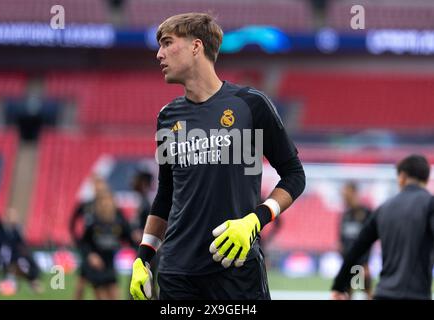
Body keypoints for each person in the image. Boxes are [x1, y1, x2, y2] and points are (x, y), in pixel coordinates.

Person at [130, 13, 305, 300]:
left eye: (167, 43)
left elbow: (294, 174)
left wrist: (255, 220)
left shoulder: (251, 105)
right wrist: (143, 257)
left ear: (196, 47)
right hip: (176, 273)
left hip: (236, 268)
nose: (159, 54)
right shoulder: (166, 117)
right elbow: (166, 194)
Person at [331, 154, 434, 300]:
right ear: (426, 178)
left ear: (402, 177)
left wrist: (338, 286)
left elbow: (356, 249)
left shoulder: (383, 209)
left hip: (384, 294)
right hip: (416, 294)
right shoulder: (429, 205)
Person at [79, 191, 136, 299]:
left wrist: (136, 237)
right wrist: (91, 255)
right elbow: (84, 243)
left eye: (108, 202)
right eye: (103, 202)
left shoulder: (118, 221)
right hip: (97, 267)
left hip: (110, 266)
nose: (106, 205)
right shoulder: (93, 221)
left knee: (115, 296)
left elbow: (129, 237)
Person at [69, 174, 110, 300]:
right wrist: (78, 242)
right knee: (83, 286)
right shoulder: (86, 206)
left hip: (103, 253)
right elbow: (72, 224)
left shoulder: (108, 207)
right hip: (89, 251)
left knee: (101, 288)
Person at [338, 181, 373, 299]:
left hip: (362, 263)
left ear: (354, 193)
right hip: (348, 263)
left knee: (367, 292)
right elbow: (342, 241)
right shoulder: (345, 215)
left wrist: (365, 263)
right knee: (346, 294)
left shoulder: (367, 213)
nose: (343, 196)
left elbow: (371, 239)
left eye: (346, 193)